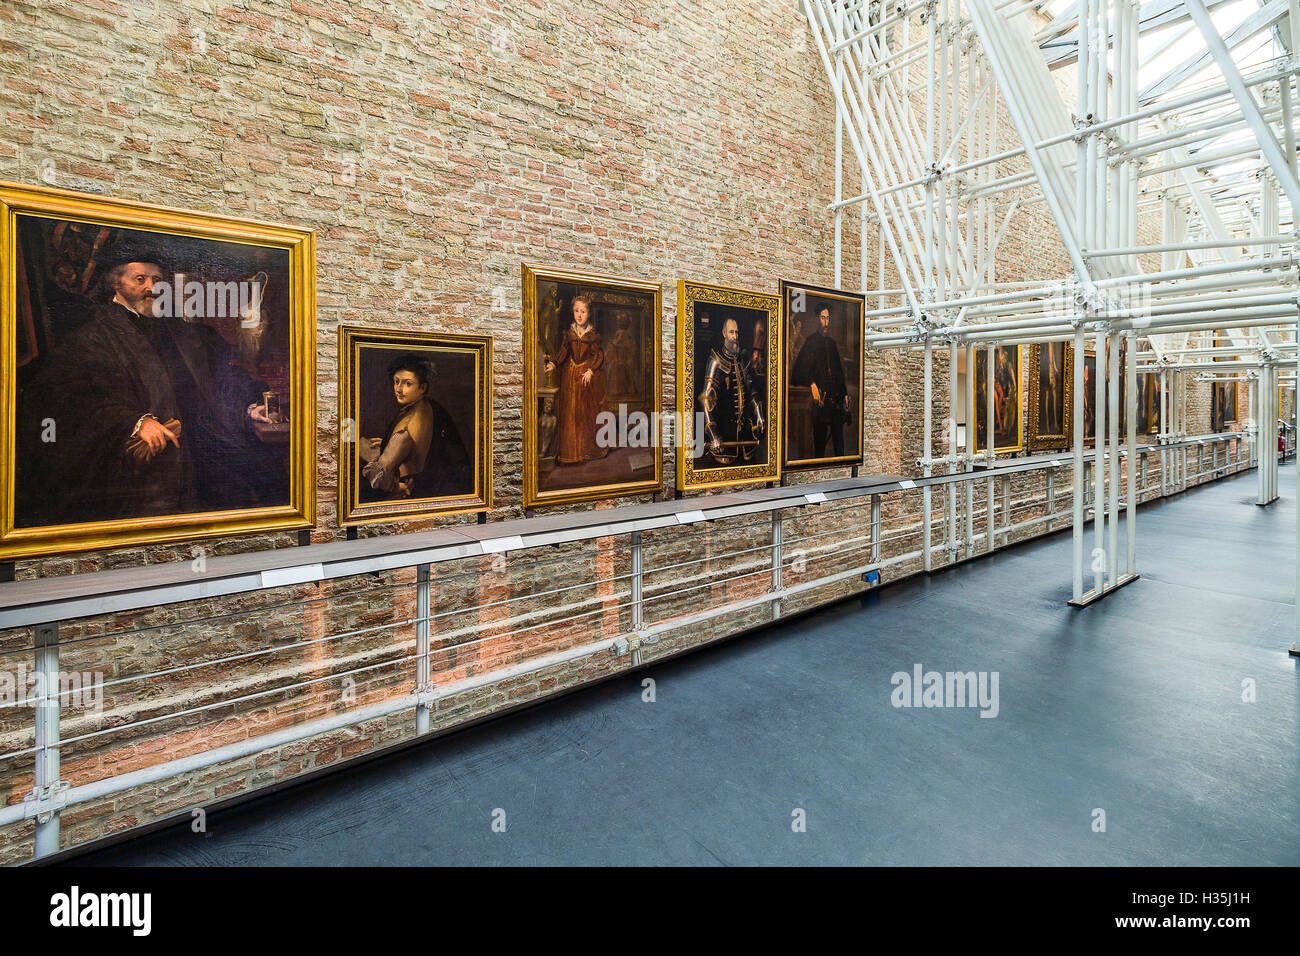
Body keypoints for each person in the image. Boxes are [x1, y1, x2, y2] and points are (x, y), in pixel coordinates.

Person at [22, 250, 280, 526]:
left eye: (156, 280)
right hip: (137, 467)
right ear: (116, 283)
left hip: (195, 450)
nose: (151, 287)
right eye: (140, 279)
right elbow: (71, 399)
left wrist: (249, 406)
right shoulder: (92, 337)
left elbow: (219, 375)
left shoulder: (176, 330)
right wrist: (134, 422)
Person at [361, 353, 470, 500]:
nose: (399, 389)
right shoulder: (428, 406)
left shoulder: (405, 429)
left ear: (422, 387)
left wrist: (396, 486)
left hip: (413, 493)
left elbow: (380, 476)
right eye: (396, 381)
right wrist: (387, 443)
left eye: (408, 384)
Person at [544, 293, 608, 465]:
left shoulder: (593, 335)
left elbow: (599, 356)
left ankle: (586, 450)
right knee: (570, 413)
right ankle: (571, 453)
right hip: (570, 376)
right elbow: (564, 352)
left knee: (584, 414)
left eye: (583, 312)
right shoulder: (570, 332)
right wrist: (555, 364)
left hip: (585, 378)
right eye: (576, 311)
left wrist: (591, 371)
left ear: (589, 313)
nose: (579, 315)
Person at [699, 317, 766, 466]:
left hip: (745, 438)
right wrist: (713, 435)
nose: (735, 336)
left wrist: (759, 415)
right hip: (725, 437)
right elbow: (706, 400)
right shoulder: (716, 360)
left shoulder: (742, 359)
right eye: (731, 332)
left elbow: (752, 391)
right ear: (724, 333)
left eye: (736, 332)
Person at [791, 306, 850, 458]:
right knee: (819, 448)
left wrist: (844, 394)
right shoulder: (810, 342)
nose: (826, 322)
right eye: (823, 318)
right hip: (820, 404)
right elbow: (797, 372)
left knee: (839, 447)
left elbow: (839, 372)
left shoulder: (832, 344)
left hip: (835, 403)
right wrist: (811, 383)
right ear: (817, 319)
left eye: (828, 318)